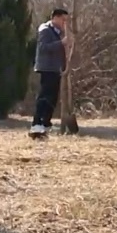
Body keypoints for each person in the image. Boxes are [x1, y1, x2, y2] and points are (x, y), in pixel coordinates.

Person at [30, 8, 71, 137]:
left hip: (55, 69)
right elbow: (43, 48)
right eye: (63, 20)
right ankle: (37, 123)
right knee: (44, 96)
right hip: (46, 68)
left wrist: (64, 67)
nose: (64, 23)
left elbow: (60, 52)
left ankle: (46, 124)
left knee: (52, 98)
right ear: (55, 18)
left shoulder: (57, 32)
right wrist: (61, 43)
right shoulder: (45, 30)